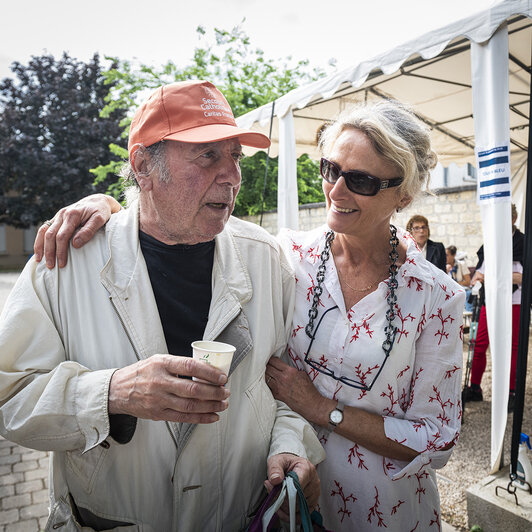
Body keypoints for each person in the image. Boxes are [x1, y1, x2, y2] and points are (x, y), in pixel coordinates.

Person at [38, 100, 466, 531]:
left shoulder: (435, 297)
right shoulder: (286, 256)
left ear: (404, 193)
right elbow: (172, 216)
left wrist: (322, 409)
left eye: (361, 181)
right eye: (331, 170)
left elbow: (439, 437)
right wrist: (112, 207)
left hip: (382, 511)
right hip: (281, 505)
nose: (336, 191)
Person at [0, 80, 324, 531]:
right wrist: (112, 393)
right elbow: (9, 399)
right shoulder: (64, 263)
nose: (231, 175)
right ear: (143, 165)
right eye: (208, 155)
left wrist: (289, 446)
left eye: (235, 156)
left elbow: (280, 390)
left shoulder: (266, 261)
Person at [462, 203, 524, 411]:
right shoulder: (490, 242)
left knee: (512, 347)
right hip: (489, 300)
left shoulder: (523, 243)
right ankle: (476, 388)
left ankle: (512, 392)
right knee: (479, 344)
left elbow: (522, 277)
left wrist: (490, 276)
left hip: (514, 301)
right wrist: (481, 278)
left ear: (514, 218)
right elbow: (478, 274)